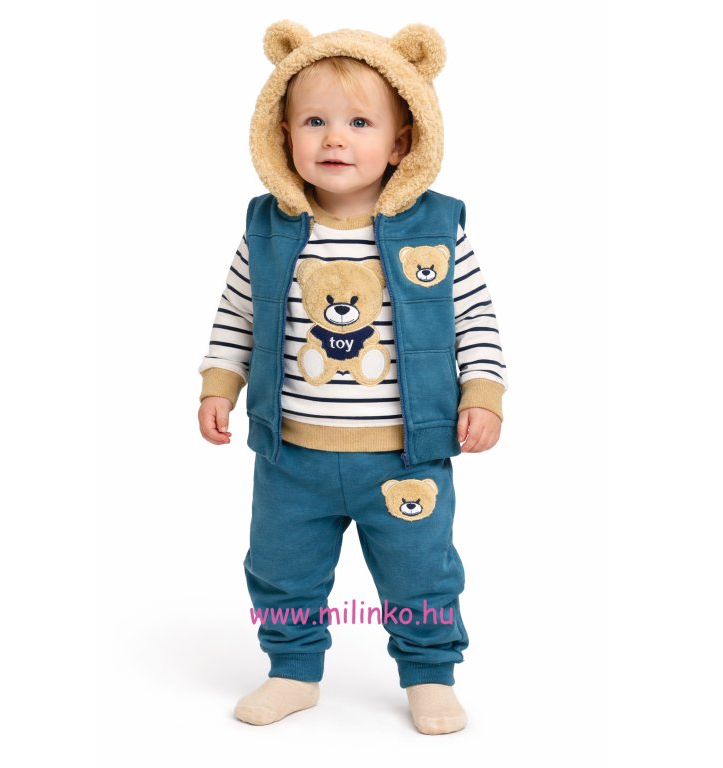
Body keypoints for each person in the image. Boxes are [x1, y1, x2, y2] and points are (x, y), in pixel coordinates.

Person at [196, 21, 508, 735]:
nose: (335, 139)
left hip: (404, 457)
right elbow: (236, 314)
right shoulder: (268, 228)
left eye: (360, 123)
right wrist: (219, 384)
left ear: (401, 142)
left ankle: (429, 673)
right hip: (291, 457)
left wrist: (484, 393)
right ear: (282, 135)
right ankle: (292, 669)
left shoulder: (437, 229)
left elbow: (475, 319)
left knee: (421, 571)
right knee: (280, 568)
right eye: (315, 122)